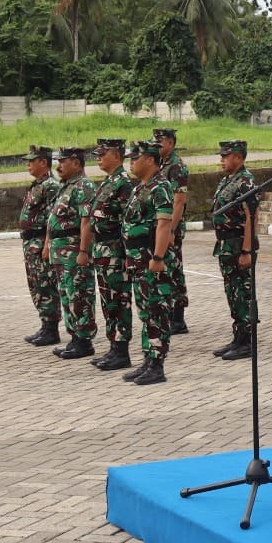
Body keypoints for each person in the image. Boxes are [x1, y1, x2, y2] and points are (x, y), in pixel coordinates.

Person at [121, 140, 176, 386]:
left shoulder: (161, 187)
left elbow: (164, 224)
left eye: (137, 158)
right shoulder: (139, 188)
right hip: (137, 259)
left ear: (151, 160)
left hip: (151, 260)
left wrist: (158, 257)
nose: (131, 162)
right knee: (145, 311)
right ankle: (147, 359)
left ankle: (157, 364)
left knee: (156, 311)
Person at [43, 147, 99, 361]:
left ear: (76, 163)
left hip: (74, 250)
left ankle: (84, 340)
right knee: (67, 294)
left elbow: (86, 221)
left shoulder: (84, 186)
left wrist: (84, 251)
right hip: (61, 252)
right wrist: (48, 245)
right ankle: (75, 337)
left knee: (79, 295)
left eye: (63, 161)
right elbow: (53, 219)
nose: (58, 165)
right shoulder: (66, 186)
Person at [86, 138, 134, 372]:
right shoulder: (108, 182)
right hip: (102, 251)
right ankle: (114, 346)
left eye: (102, 153)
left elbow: (127, 220)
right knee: (108, 300)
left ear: (116, 155)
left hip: (115, 251)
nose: (98, 157)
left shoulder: (123, 183)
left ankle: (122, 351)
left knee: (118, 301)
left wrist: (126, 254)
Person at [210, 139, 259, 361]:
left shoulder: (245, 182)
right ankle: (237, 337)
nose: (221, 159)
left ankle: (247, 341)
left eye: (225, 156)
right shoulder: (227, 180)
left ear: (238, 158)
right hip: (226, 246)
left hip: (239, 245)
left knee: (242, 291)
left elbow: (252, 216)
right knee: (232, 292)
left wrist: (247, 250)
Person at [18, 146, 63, 347]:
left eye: (32, 160)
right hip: (30, 243)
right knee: (36, 285)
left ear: (43, 162)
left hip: (40, 242)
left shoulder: (51, 186)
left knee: (46, 284)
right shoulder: (37, 185)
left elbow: (52, 218)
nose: (28, 164)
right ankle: (45, 325)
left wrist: (47, 245)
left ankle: (52, 329)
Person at [155, 127, 191, 336]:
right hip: (164, 224)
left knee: (174, 268)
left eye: (160, 142)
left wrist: (171, 230)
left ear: (170, 143)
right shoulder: (160, 164)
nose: (157, 145)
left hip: (172, 226)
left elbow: (179, 201)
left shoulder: (176, 166)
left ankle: (178, 317)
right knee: (167, 269)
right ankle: (169, 312)